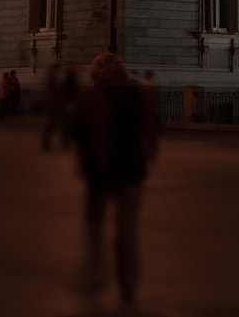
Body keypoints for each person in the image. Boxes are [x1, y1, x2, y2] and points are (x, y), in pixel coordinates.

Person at [73, 51, 159, 309]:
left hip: (101, 173)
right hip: (132, 171)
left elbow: (80, 134)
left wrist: (85, 166)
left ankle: (96, 272)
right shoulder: (139, 93)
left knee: (94, 225)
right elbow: (150, 129)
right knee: (127, 232)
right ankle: (129, 288)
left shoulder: (91, 95)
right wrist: (148, 154)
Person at [44, 62, 77, 150]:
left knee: (62, 125)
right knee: (53, 125)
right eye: (59, 70)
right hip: (55, 106)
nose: (61, 72)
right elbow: (53, 95)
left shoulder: (59, 81)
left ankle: (64, 143)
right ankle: (47, 143)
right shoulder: (53, 81)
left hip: (60, 106)